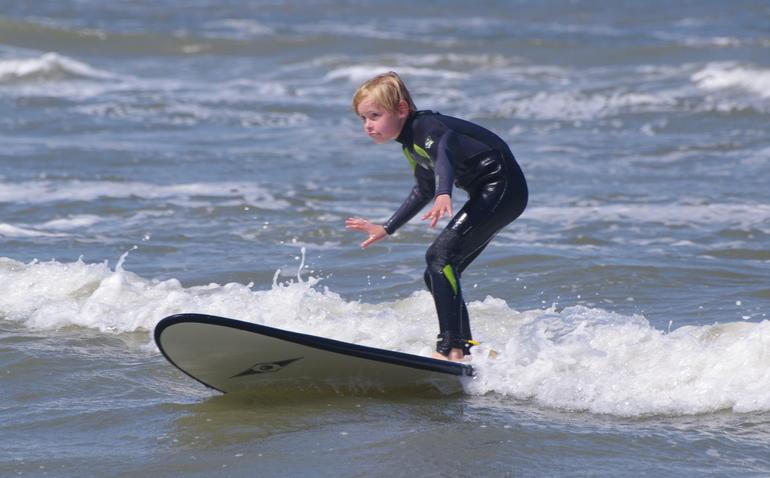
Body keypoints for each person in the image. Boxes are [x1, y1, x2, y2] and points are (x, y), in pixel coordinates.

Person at [345, 72, 528, 362]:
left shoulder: (426, 127)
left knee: (439, 259)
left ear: (402, 109)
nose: (368, 125)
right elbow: (423, 188)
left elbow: (444, 153)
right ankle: (466, 348)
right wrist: (387, 227)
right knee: (437, 272)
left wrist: (445, 193)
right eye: (363, 119)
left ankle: (449, 349)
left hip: (501, 188)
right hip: (494, 193)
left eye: (374, 116)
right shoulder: (409, 144)